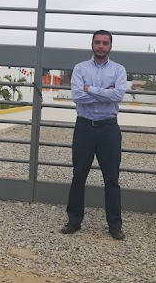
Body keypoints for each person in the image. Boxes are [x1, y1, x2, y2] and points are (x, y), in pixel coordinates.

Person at [61, 30, 127, 240]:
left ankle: (115, 225)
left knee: (112, 179)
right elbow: (77, 96)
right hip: (84, 129)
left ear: (110, 46)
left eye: (104, 43)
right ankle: (74, 221)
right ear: (92, 44)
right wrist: (104, 92)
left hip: (109, 129)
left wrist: (91, 89)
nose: (101, 46)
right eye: (97, 42)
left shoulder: (119, 70)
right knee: (78, 176)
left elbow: (118, 94)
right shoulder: (80, 68)